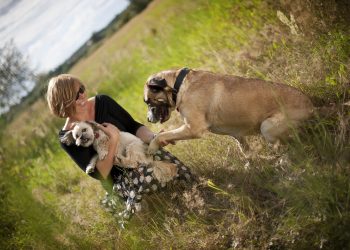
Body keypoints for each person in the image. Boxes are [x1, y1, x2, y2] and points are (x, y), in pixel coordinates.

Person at [46, 74, 193, 220]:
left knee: (175, 167)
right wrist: (114, 139)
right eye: (75, 96)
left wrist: (154, 138)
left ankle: (192, 193)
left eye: (82, 89)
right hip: (121, 178)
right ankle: (143, 206)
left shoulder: (103, 102)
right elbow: (100, 174)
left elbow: (132, 126)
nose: (82, 95)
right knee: (146, 173)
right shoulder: (69, 136)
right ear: (64, 102)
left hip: (138, 150)